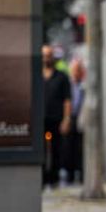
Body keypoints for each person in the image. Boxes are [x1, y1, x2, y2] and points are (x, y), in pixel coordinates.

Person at [42, 45, 71, 188]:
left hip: (56, 119)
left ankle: (54, 179)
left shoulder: (62, 77)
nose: (47, 58)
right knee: (41, 150)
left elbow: (67, 100)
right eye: (44, 55)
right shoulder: (35, 76)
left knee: (56, 149)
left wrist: (66, 119)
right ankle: (41, 178)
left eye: (49, 55)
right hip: (40, 121)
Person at [65, 59, 86, 184]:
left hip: (81, 118)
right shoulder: (68, 85)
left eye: (79, 70)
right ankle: (69, 175)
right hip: (70, 117)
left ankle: (82, 175)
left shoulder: (84, 86)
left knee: (81, 149)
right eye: (74, 70)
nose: (76, 72)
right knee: (68, 147)